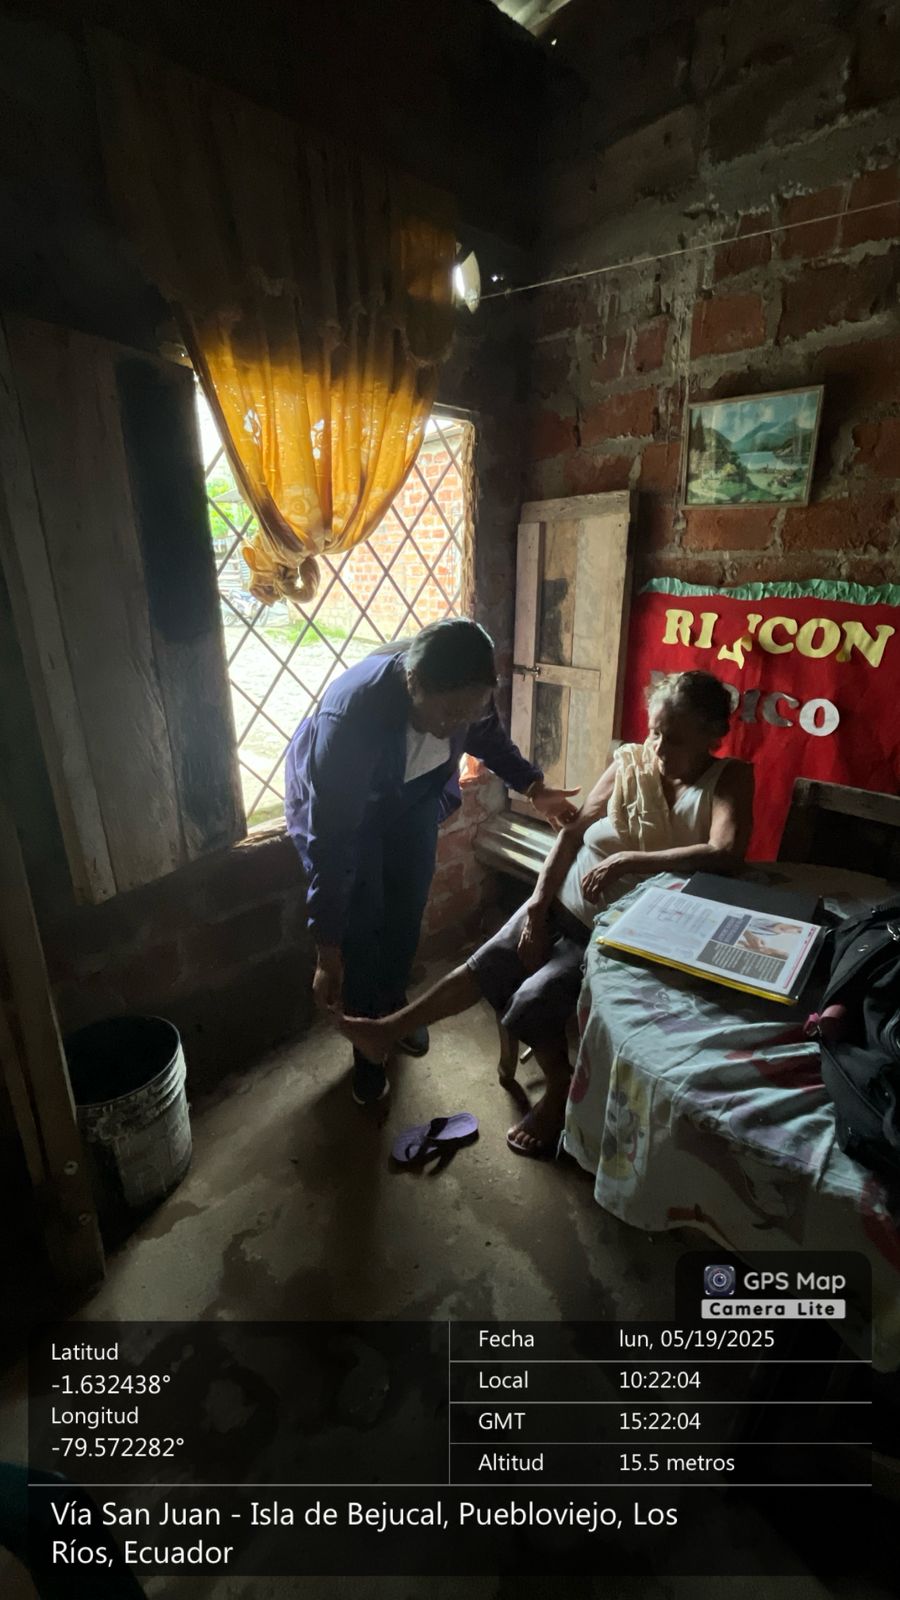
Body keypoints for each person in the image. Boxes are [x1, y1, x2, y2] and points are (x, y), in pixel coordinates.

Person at [342, 669, 755, 1157]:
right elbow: (573, 834)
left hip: (620, 935)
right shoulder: (632, 762)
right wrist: (537, 907)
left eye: (676, 740)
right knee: (486, 963)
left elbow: (724, 851)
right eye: (655, 732)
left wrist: (629, 861)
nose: (659, 749)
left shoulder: (728, 779)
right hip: (563, 903)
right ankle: (385, 1031)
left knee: (529, 1004)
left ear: (712, 736)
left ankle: (559, 1090)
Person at [285, 619, 580, 1105]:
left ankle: (394, 1007)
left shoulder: (467, 693)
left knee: (407, 904)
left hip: (414, 796)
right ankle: (368, 1044)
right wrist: (327, 947)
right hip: (352, 809)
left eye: (469, 710)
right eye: (447, 713)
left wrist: (533, 786)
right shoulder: (352, 719)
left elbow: (487, 735)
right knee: (362, 919)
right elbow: (332, 843)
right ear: (412, 683)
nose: (456, 724)